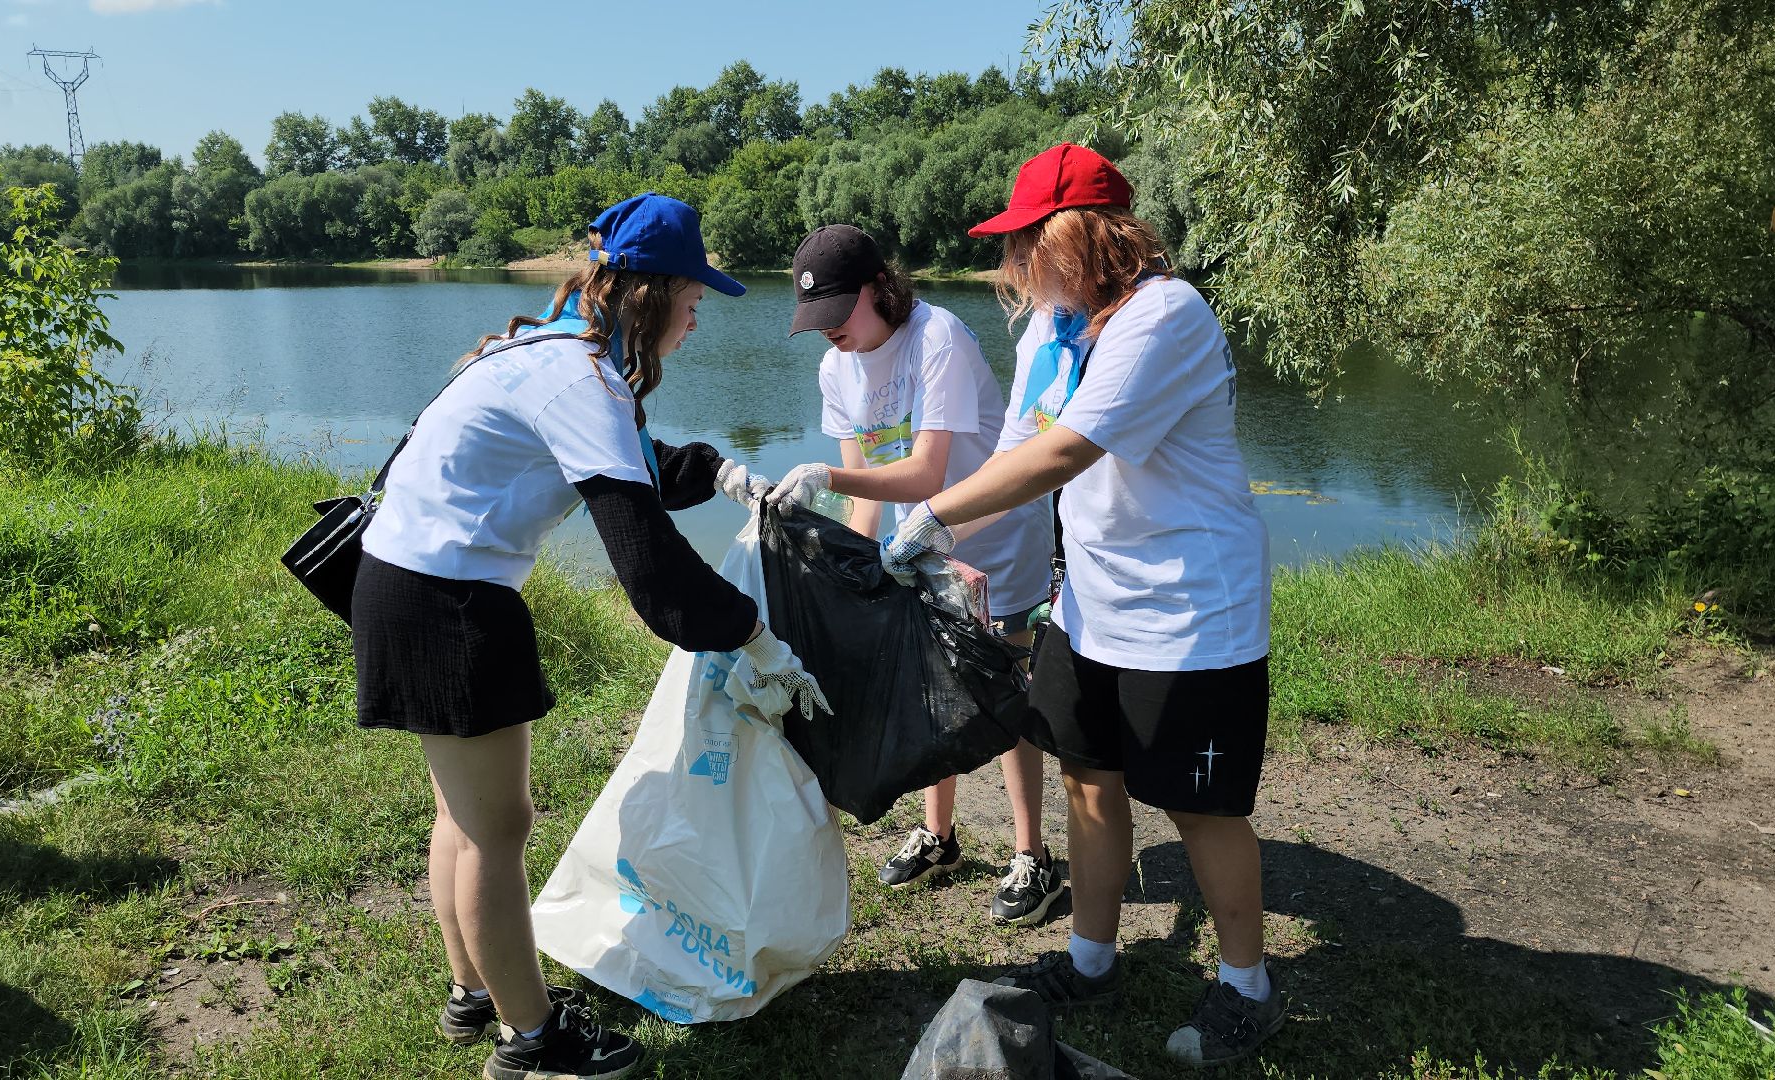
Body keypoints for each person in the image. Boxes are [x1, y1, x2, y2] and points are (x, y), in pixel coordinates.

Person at [352, 193, 828, 1080]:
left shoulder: (543, 348)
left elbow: (633, 471)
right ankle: (533, 1043)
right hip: (454, 603)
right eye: (691, 302)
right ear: (649, 293)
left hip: (399, 583)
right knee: (499, 827)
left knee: (461, 815)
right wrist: (755, 636)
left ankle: (476, 992)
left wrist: (718, 470)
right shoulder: (585, 380)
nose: (695, 323)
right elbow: (651, 574)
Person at [880, 144, 1282, 1066]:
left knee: (1201, 807)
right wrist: (938, 550)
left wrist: (932, 517)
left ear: (1074, 236)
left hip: (1190, 614)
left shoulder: (1162, 317)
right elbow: (1017, 454)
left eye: (1022, 243)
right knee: (1086, 779)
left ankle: (1248, 986)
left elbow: (1068, 452)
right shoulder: (1053, 332)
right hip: (1093, 603)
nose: (1012, 266)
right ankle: (1092, 960)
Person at [743, 224, 1066, 925]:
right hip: (916, 545)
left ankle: (1032, 856)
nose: (829, 332)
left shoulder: (935, 337)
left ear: (875, 290)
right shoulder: (837, 370)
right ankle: (940, 836)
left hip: (998, 535)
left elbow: (925, 471)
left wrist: (823, 474)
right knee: (925, 683)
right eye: (815, 320)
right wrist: (860, 573)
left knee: (1003, 693)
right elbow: (864, 488)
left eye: (836, 314)